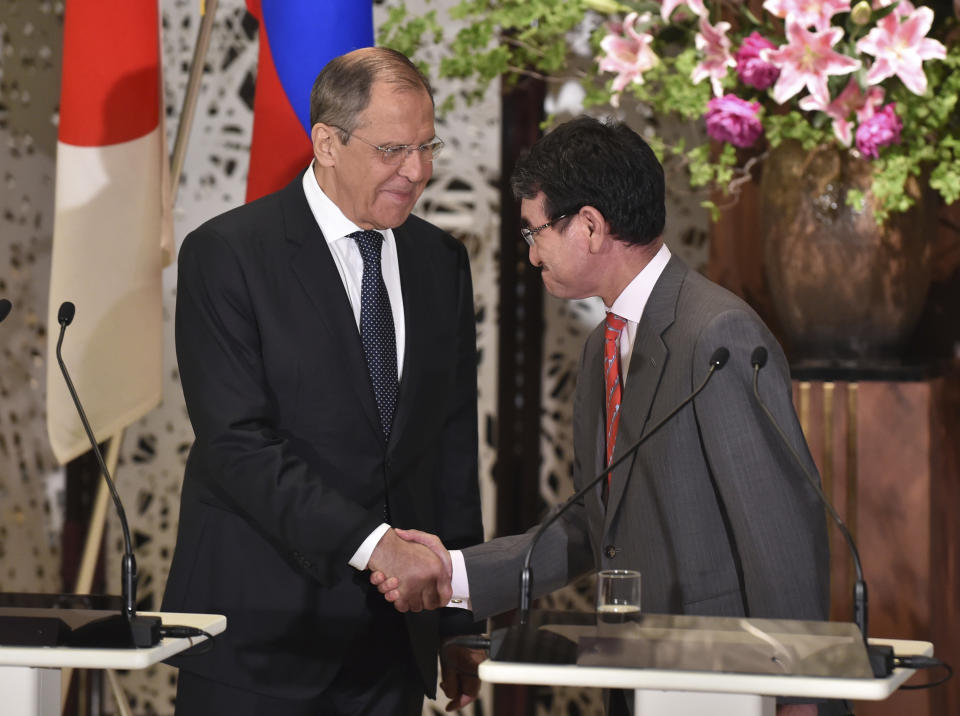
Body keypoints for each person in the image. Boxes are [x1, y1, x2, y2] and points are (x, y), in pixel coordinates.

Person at [375, 116, 831, 715]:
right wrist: (453, 574)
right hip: (638, 675)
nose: (532, 252)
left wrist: (801, 698)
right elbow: (593, 528)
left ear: (589, 226)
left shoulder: (717, 333)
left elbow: (780, 536)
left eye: (535, 231)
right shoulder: (603, 346)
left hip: (725, 680)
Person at [161, 47, 483, 716]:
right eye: (393, 149)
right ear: (326, 143)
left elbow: (450, 450)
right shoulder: (228, 255)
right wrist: (378, 548)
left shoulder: (440, 261)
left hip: (389, 651)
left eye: (427, 147)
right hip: (257, 640)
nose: (417, 171)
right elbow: (238, 446)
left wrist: (457, 618)